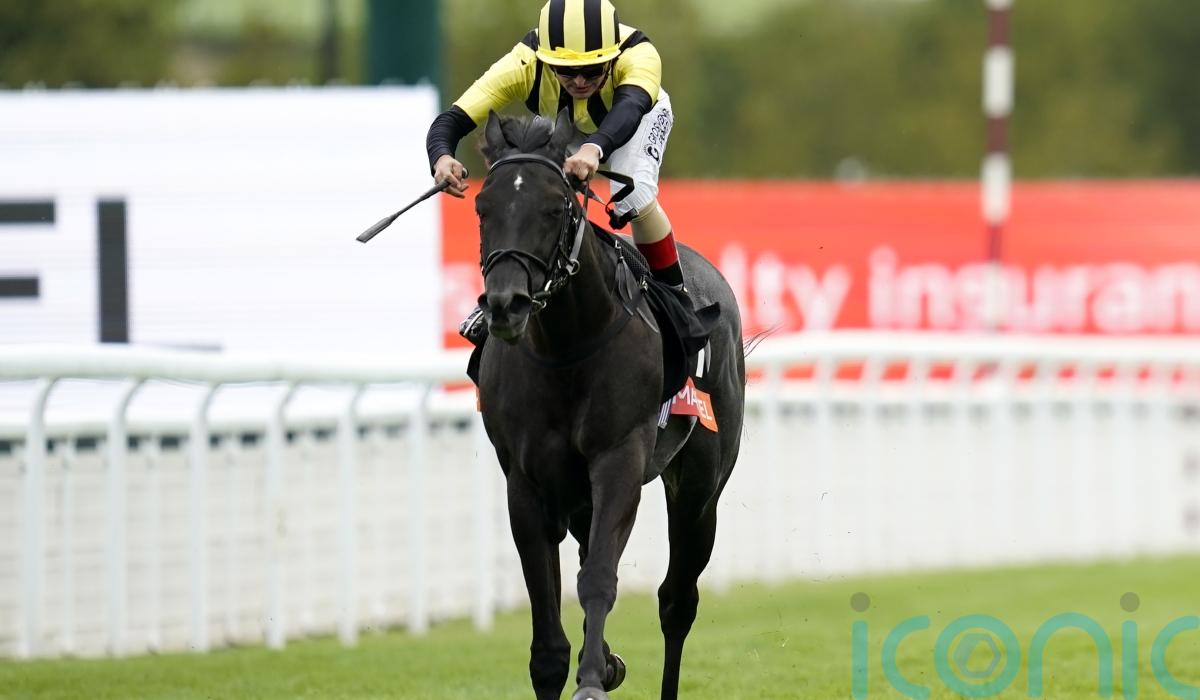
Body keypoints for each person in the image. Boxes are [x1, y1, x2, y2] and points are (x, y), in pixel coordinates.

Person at [425, 0, 683, 343]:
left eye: (593, 70)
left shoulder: (639, 54)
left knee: (632, 197)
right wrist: (441, 157)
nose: (579, 81)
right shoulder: (523, 63)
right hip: (570, 125)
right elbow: (452, 119)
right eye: (565, 71)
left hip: (637, 119)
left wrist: (594, 148)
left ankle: (676, 301)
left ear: (612, 58)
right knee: (531, 189)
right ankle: (513, 289)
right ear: (546, 61)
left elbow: (631, 108)